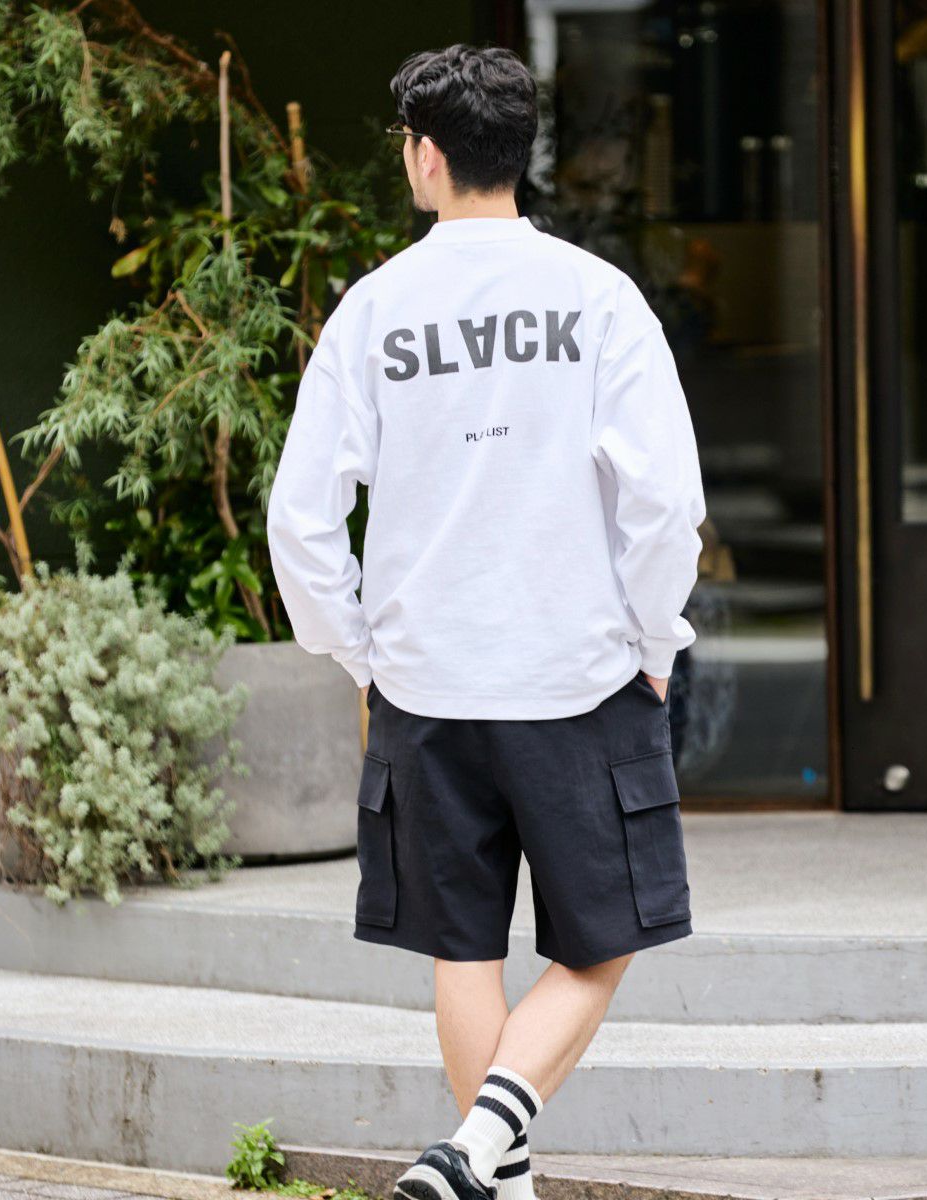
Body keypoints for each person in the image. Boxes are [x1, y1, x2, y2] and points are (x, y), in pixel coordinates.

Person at [266, 42, 707, 1200]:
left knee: (461, 948)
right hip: (580, 674)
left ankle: (480, 1166)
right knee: (606, 935)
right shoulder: (598, 299)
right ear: (522, 152)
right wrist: (654, 636)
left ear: (425, 156)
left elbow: (299, 522)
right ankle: (480, 1156)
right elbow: (664, 504)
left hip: (425, 685)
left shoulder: (372, 311)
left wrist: (357, 653)